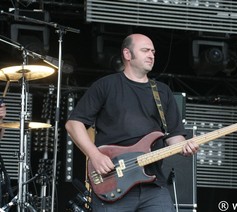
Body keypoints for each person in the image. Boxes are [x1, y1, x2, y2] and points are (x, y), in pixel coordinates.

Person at [65, 33, 199, 212]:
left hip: (153, 185)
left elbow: (174, 138)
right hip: (112, 182)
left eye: (153, 51)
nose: (151, 55)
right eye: (145, 50)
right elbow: (73, 124)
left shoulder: (162, 92)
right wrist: (95, 155)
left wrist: (186, 146)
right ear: (127, 54)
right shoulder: (106, 86)